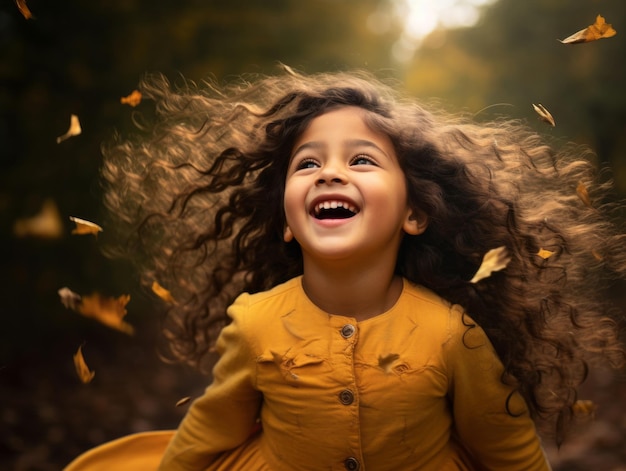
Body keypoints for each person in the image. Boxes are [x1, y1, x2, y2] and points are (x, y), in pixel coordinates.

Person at [65, 67, 626, 470]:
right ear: (286, 221)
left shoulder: (455, 336)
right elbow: (211, 430)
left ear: (414, 213)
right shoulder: (255, 322)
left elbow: (508, 453)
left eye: (361, 160)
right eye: (308, 163)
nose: (330, 173)